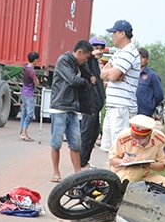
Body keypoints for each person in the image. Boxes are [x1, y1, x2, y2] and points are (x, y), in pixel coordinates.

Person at [49, 40, 93, 182]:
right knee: (56, 143)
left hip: (73, 108)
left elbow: (90, 75)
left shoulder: (79, 64)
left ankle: (78, 174)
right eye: (85, 57)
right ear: (79, 52)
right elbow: (72, 80)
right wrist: (86, 81)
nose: (86, 60)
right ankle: (56, 173)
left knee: (75, 144)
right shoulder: (64, 61)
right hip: (60, 107)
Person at [108, 114, 165, 192]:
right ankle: (115, 194)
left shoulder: (159, 139)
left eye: (140, 139)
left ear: (149, 134)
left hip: (145, 175)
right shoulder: (124, 137)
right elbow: (112, 160)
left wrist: (149, 165)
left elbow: (162, 165)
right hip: (124, 173)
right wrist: (122, 161)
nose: (137, 141)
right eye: (134, 138)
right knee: (134, 172)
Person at [99, 20, 141, 151]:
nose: (112, 36)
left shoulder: (129, 52)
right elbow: (102, 72)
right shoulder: (119, 52)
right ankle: (111, 172)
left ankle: (121, 172)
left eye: (114, 33)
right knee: (111, 150)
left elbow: (111, 75)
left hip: (122, 107)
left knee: (121, 150)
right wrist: (113, 74)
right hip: (113, 106)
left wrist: (113, 74)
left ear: (122, 33)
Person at [79, 36, 106, 170]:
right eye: (96, 48)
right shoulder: (88, 61)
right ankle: (82, 163)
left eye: (101, 49)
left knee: (94, 133)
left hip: (97, 105)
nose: (99, 51)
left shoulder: (96, 63)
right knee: (87, 133)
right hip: (90, 104)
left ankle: (85, 161)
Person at [135, 48, 164, 117]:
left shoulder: (152, 76)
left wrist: (151, 106)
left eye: (142, 57)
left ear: (147, 60)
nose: (140, 59)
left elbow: (159, 95)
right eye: (138, 57)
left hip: (145, 113)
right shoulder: (132, 74)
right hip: (132, 111)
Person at [19, 51, 40, 142]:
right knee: (30, 115)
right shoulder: (32, 71)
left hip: (23, 93)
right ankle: (24, 133)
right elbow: (37, 83)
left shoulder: (26, 67)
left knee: (24, 113)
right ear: (35, 60)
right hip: (29, 94)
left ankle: (22, 132)